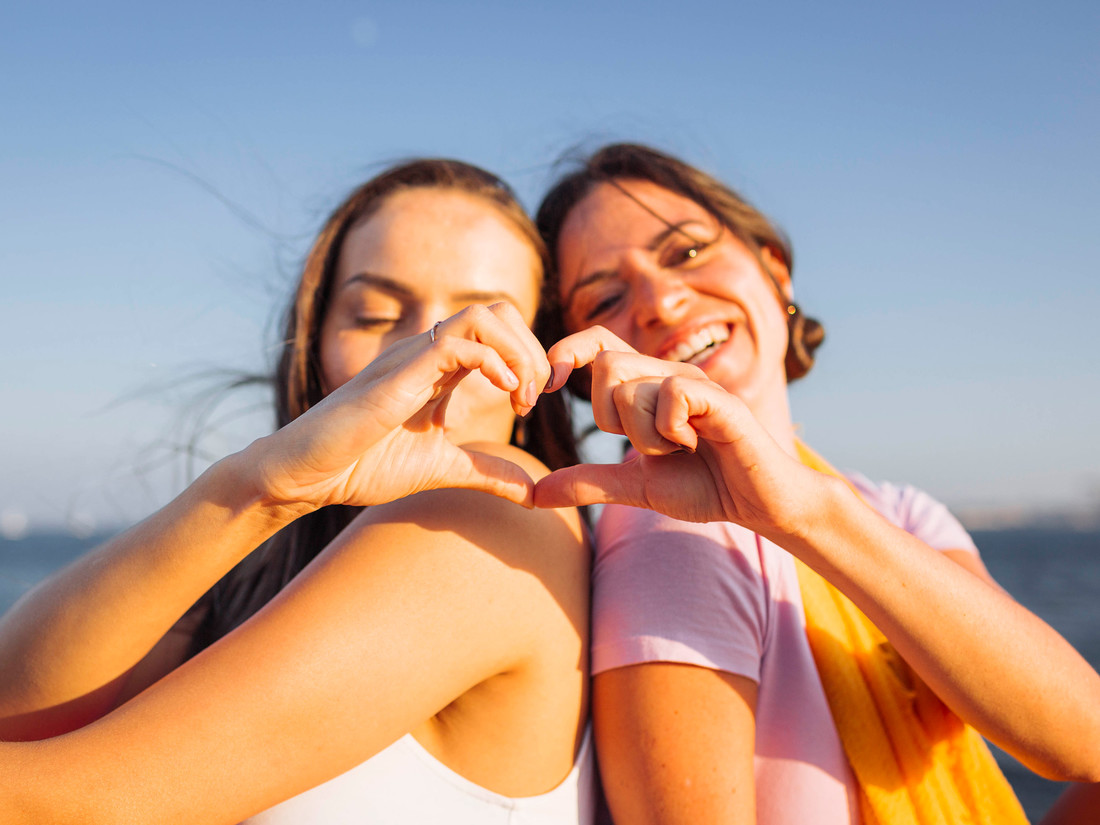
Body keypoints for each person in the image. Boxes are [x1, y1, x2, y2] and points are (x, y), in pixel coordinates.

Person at [0, 159, 595, 824]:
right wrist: (263, 485)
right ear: (314, 344)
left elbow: (79, 805)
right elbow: (18, 711)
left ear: (540, 369)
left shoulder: (492, 521)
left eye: (482, 328)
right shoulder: (264, 566)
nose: (431, 354)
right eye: (374, 313)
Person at [530, 142, 1100, 824]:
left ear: (776, 271)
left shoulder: (893, 509)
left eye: (684, 252)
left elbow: (1081, 737)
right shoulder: (668, 532)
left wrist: (809, 514)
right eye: (607, 297)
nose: (661, 299)